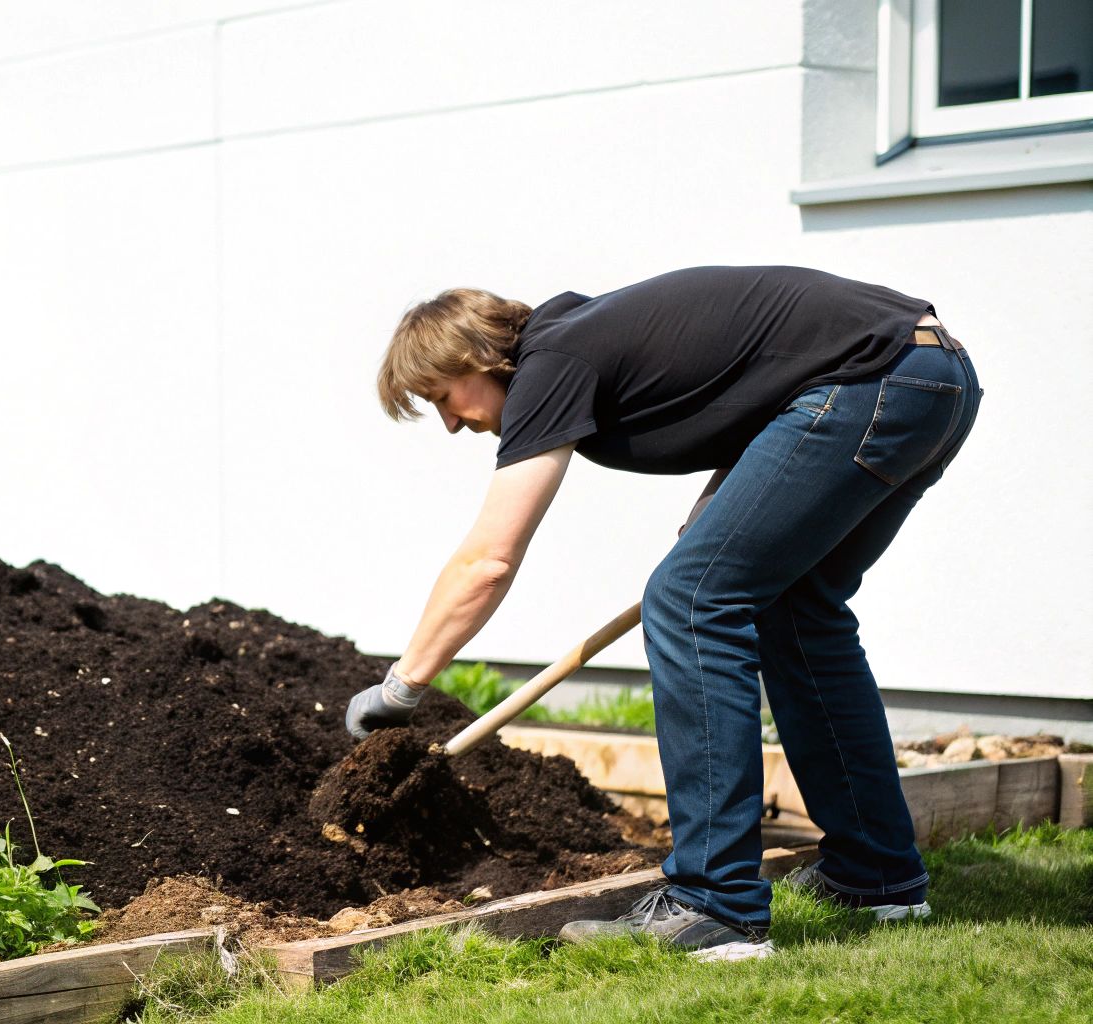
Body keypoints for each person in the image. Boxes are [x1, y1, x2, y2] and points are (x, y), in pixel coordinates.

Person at [346, 265, 983, 961]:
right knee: (798, 612)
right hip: (927, 377)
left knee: (688, 602)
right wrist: (722, 512)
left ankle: (715, 904)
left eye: (443, 397)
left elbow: (489, 559)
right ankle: (879, 879)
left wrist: (402, 685)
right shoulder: (577, 341)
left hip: (875, 379)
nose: (449, 424)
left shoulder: (549, 365)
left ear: (477, 359)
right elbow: (765, 388)